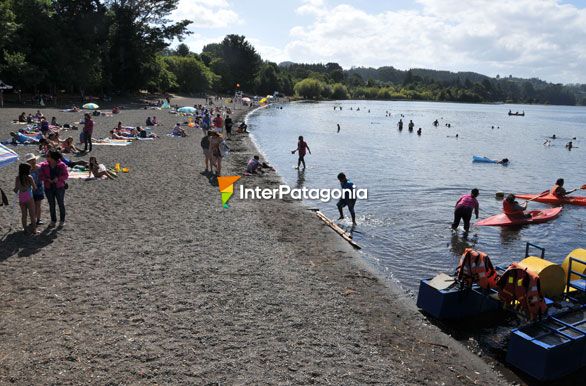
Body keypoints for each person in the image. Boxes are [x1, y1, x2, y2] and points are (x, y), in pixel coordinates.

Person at [39, 149, 69, 227]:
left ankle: (62, 220)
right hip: (48, 187)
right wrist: (47, 179)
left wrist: (58, 179)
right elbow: (41, 176)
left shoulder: (61, 165)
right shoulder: (44, 165)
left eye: (48, 156)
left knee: (60, 204)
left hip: (59, 187)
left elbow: (66, 175)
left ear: (53, 157)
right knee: (51, 204)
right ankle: (53, 220)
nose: (46, 157)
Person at [13, 163, 38, 234]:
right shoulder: (29, 177)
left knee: (24, 215)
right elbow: (35, 187)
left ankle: (25, 230)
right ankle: (34, 230)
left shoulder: (17, 178)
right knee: (32, 214)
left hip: (21, 197)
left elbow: (16, 189)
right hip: (29, 196)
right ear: (27, 170)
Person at [25, 153, 45, 226]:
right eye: (31, 160)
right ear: (28, 162)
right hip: (30, 190)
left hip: (39, 188)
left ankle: (38, 219)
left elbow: (43, 177)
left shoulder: (39, 168)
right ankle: (33, 220)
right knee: (31, 206)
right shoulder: (26, 170)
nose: (33, 161)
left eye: (33, 160)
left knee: (38, 205)